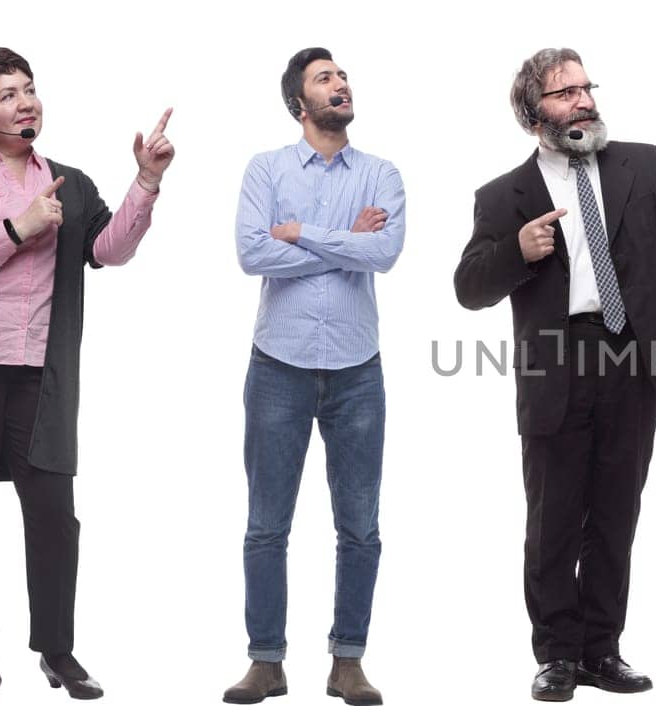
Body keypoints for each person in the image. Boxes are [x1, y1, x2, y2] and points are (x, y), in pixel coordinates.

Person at [454, 47, 656, 702]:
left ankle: (601, 651)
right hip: (557, 363)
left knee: (616, 511)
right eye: (565, 93)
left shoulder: (641, 161)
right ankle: (556, 655)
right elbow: (469, 287)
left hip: (634, 356)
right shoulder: (504, 196)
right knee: (554, 516)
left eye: (587, 87)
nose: (584, 100)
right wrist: (517, 251)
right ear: (534, 114)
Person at [0, 46, 173, 699]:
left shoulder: (72, 183)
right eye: (8, 94)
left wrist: (144, 183)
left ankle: (57, 649)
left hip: (40, 379)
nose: (26, 101)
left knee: (54, 515)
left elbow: (109, 249)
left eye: (30, 89)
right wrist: (17, 228)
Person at [223, 47, 405, 706]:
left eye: (343, 76)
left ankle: (347, 662)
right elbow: (252, 252)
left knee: (360, 526)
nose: (340, 84)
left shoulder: (382, 173)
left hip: (358, 369)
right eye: (324, 79)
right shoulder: (265, 169)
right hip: (279, 366)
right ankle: (265, 662)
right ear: (301, 102)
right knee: (266, 525)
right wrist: (338, 237)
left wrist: (299, 234)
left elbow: (383, 252)